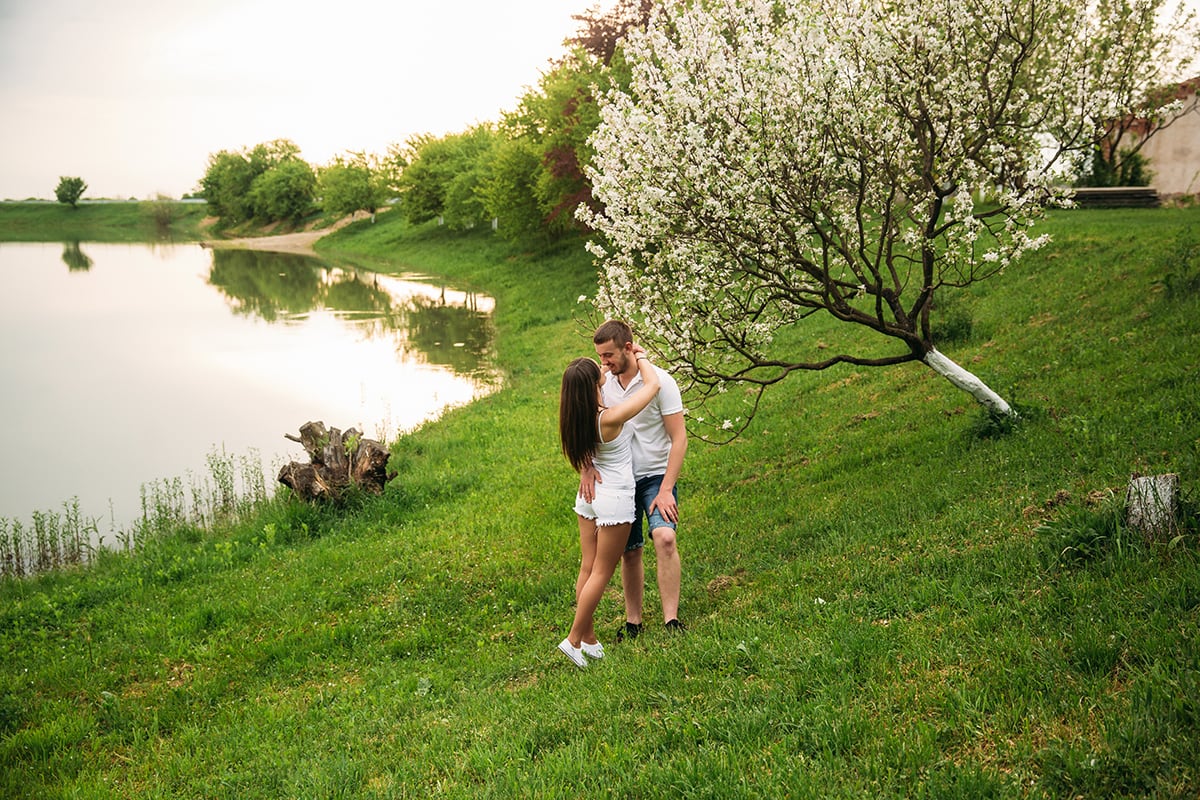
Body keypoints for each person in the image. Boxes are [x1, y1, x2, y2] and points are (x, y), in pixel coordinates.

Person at [583, 320, 688, 640]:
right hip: (619, 481)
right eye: (600, 357)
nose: (605, 363)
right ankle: (634, 622)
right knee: (630, 552)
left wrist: (667, 489)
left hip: (656, 476)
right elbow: (586, 427)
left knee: (665, 538)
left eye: (609, 355)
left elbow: (679, 436)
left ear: (629, 348)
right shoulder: (602, 384)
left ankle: (671, 620)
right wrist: (587, 466)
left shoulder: (661, 381)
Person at [557, 351, 661, 669]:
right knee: (602, 571)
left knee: (588, 567)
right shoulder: (609, 417)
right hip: (614, 497)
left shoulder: (576, 415)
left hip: (588, 494)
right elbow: (653, 385)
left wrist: (596, 373)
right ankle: (573, 640)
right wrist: (640, 357)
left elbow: (591, 375)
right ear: (593, 385)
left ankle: (589, 640)